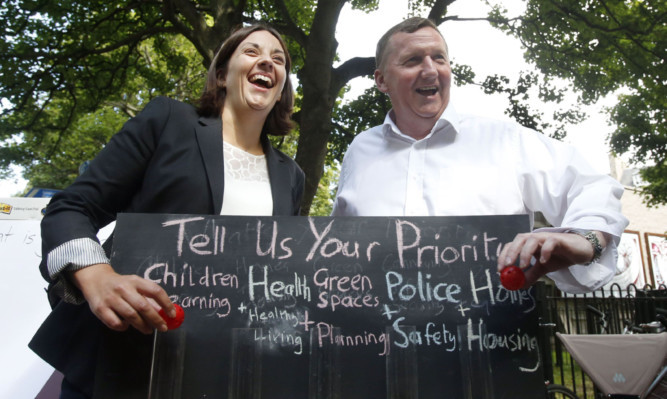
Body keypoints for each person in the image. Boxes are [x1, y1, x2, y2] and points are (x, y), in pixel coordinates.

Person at [29, 23, 304, 398]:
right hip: (121, 360)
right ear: (222, 75)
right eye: (252, 52)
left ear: (282, 88)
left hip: (224, 373)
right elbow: (71, 207)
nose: (267, 63)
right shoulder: (168, 121)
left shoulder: (292, 176)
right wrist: (96, 277)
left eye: (279, 59)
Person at [331, 17, 628, 294]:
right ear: (381, 81)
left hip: (490, 339)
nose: (431, 70)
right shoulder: (360, 151)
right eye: (412, 60)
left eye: (439, 58)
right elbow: (340, 247)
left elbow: (593, 185)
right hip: (374, 340)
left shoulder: (505, 141)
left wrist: (587, 239)